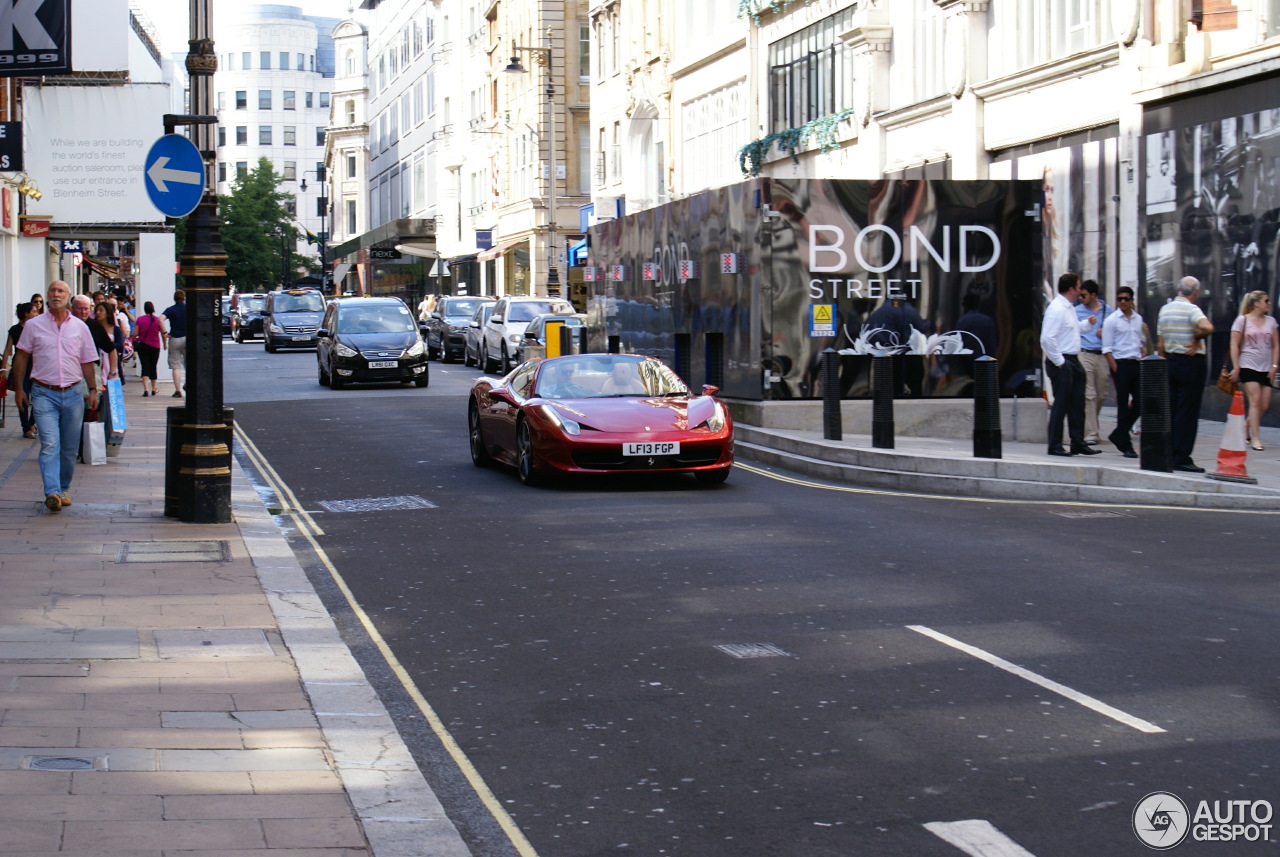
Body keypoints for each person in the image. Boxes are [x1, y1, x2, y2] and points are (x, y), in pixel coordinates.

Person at [11, 281, 100, 512]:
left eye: (60, 291)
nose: (55, 294)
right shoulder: (34, 325)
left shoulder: (80, 327)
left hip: (72, 393)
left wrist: (93, 389)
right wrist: (20, 389)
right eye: (52, 290)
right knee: (50, 443)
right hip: (43, 393)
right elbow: (21, 356)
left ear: (68, 296)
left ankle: (63, 488)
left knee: (69, 447)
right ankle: (51, 491)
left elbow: (87, 360)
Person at [1157, 276, 1215, 472]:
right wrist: (1197, 338)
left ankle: (1170, 453)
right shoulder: (1192, 309)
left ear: (1178, 289)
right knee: (1187, 412)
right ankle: (1182, 456)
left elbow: (1160, 345)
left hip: (1170, 362)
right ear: (1195, 293)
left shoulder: (1165, 310)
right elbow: (1208, 327)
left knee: (1172, 411)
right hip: (1190, 363)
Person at [1040, 271, 1101, 457]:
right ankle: (1055, 445)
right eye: (1078, 286)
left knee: (1077, 403)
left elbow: (1070, 331)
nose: (1080, 289)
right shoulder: (1057, 309)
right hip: (1063, 360)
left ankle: (1078, 442)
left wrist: (1087, 325)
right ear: (1072, 289)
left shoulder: (1069, 308)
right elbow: (1047, 339)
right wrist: (1059, 362)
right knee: (1062, 404)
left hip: (1072, 358)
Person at [1227, 289, 1278, 451]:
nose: (1268, 304)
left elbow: (1276, 346)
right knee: (1255, 401)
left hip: (1266, 367)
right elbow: (1234, 344)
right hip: (1248, 364)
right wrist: (1236, 366)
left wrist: (1274, 367)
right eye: (1266, 301)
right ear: (1256, 303)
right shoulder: (1242, 320)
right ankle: (1255, 438)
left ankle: (1246, 425)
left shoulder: (1271, 321)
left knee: (1264, 405)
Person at [1102, 286, 1148, 458]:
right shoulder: (1112, 320)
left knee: (1141, 401)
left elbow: (1139, 342)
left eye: (1126, 298)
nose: (1122, 302)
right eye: (1119, 299)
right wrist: (1116, 369)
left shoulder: (1138, 319)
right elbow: (1106, 348)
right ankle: (1125, 444)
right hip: (1120, 363)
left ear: (1131, 300)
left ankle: (1119, 433)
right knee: (1122, 404)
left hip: (1135, 363)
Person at [1075, 279, 1110, 444]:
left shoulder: (1107, 311)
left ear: (1093, 295)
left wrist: (1107, 333)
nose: (1081, 298)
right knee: (1090, 394)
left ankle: (1088, 423)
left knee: (1102, 393)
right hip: (1084, 353)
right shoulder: (1077, 311)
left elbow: (1115, 331)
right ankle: (1091, 434)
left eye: (1084, 295)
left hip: (1102, 354)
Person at [2, 301, 38, 438]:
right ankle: (26, 428)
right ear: (26, 314)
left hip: (37, 367)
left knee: (39, 397)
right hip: (20, 366)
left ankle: (31, 422)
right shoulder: (15, 330)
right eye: (34, 312)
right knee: (22, 396)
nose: (36, 314)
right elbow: (7, 350)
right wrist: (2, 369)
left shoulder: (37, 328)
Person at [131, 300, 163, 396]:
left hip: (143, 346)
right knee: (153, 366)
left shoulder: (140, 319)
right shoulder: (157, 319)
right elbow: (162, 333)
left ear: (145, 309)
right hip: (155, 346)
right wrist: (165, 344)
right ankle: (154, 388)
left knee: (145, 366)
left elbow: (135, 333)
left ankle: (146, 389)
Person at [162, 289, 187, 397]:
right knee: (189, 364)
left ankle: (178, 390)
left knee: (175, 366)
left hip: (174, 338)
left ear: (174, 299)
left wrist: (164, 333)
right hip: (187, 338)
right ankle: (187, 384)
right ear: (184, 298)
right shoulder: (188, 308)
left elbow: (160, 319)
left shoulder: (170, 310)